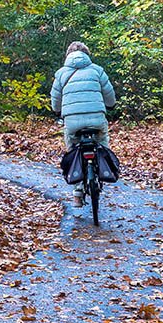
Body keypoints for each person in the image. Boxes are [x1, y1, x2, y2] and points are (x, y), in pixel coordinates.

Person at [50, 41, 116, 205]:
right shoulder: (97, 70)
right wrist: (111, 105)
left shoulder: (61, 74)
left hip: (72, 121)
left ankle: (77, 193)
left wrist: (57, 111)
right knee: (102, 142)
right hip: (96, 118)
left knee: (73, 149)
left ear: (68, 55)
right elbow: (109, 95)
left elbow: (55, 100)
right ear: (87, 54)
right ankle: (104, 169)